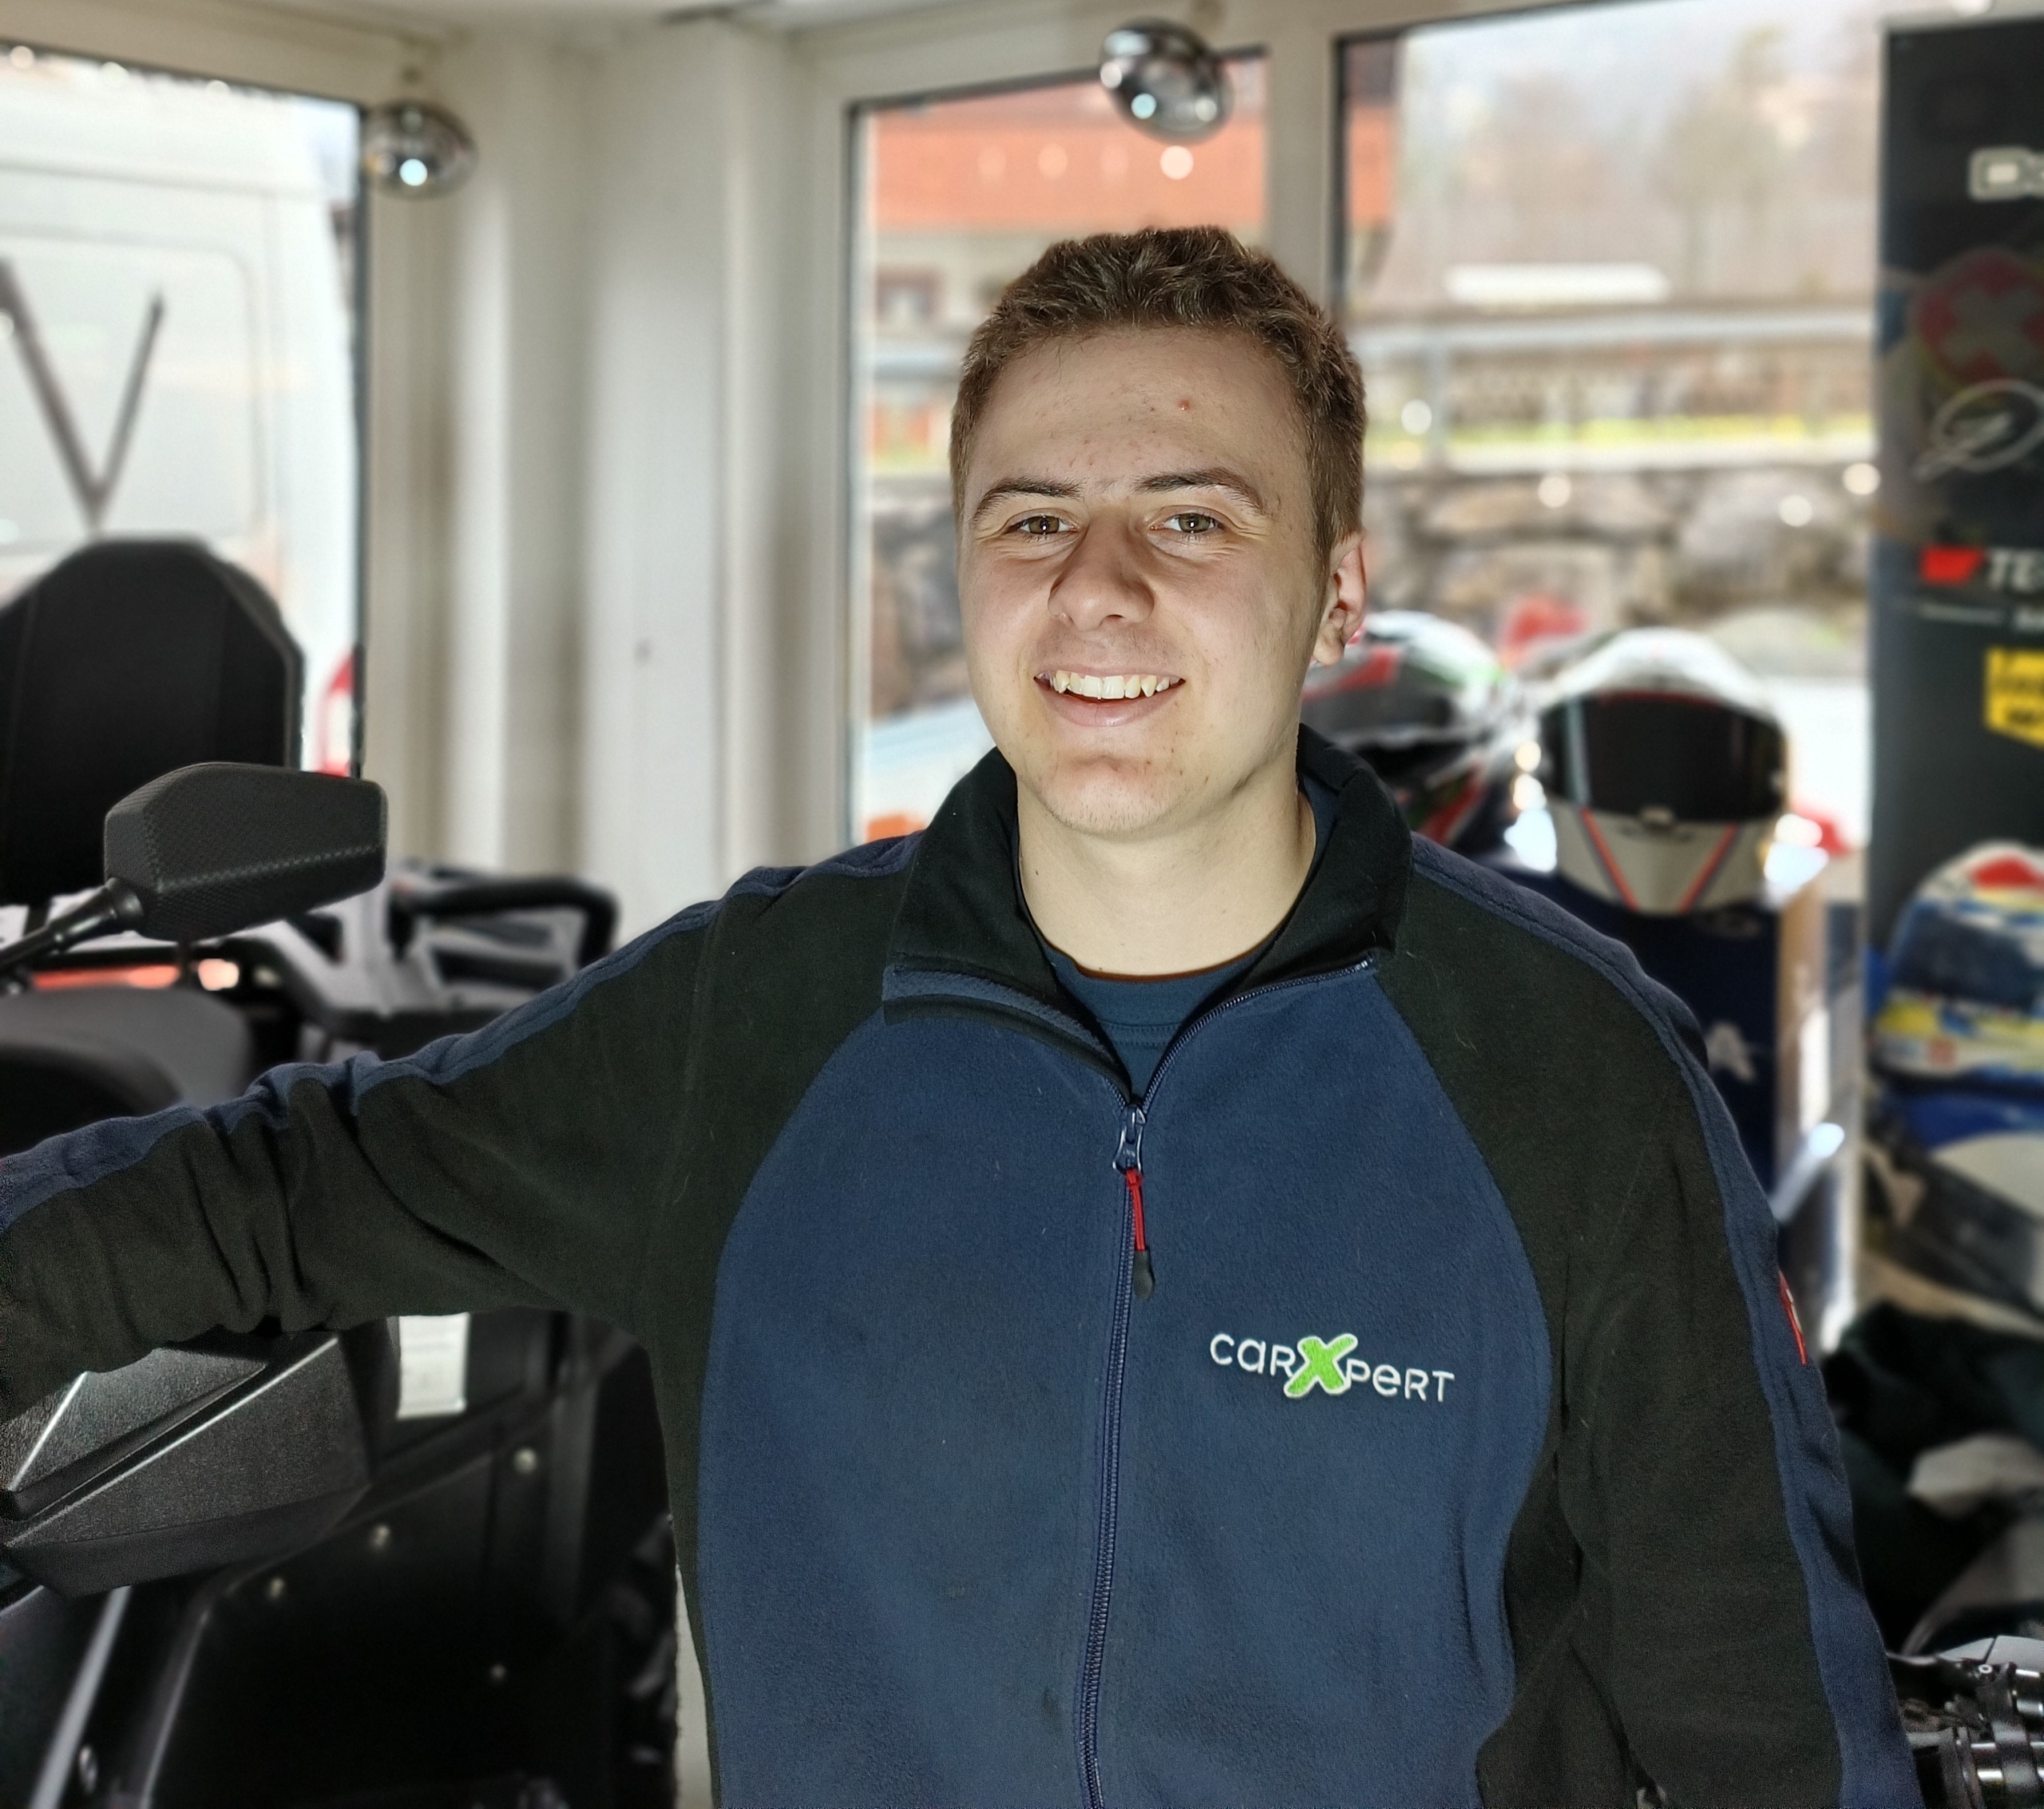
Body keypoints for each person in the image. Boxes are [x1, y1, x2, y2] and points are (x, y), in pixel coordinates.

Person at [0, 228, 1913, 1807]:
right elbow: (291, 1182)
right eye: (1029, 520)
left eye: (1189, 519)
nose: (1096, 588)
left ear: (1336, 593)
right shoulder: (755, 1019)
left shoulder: (1564, 1069)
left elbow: (1764, 1719)